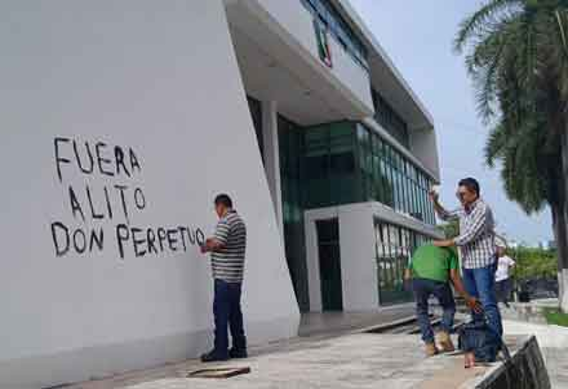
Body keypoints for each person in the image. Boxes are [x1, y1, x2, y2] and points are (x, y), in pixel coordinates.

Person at [430, 178, 503, 340]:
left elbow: (470, 235)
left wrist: (446, 242)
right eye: (458, 194)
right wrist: (435, 202)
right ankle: (481, 340)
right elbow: (446, 216)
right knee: (473, 303)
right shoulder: (464, 209)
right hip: (468, 264)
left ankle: (496, 340)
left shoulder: (483, 209)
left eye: (462, 194)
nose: (459, 197)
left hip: (483, 263)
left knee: (487, 303)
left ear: (474, 193)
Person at [405, 243, 481, 357]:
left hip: (416, 279)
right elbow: (454, 277)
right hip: (438, 279)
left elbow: (407, 273)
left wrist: (410, 287)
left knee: (421, 310)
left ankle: (429, 345)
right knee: (449, 307)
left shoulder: (421, 248)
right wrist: (467, 298)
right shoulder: (451, 253)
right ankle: (444, 332)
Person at [200, 194, 248, 362]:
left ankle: (220, 350)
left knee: (221, 314)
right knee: (235, 314)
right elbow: (228, 243)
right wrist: (215, 241)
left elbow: (219, 243)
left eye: (216, 208)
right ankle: (239, 348)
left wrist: (206, 246)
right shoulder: (239, 222)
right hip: (236, 278)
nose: (216, 212)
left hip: (224, 278)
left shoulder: (225, 221)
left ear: (221, 206)